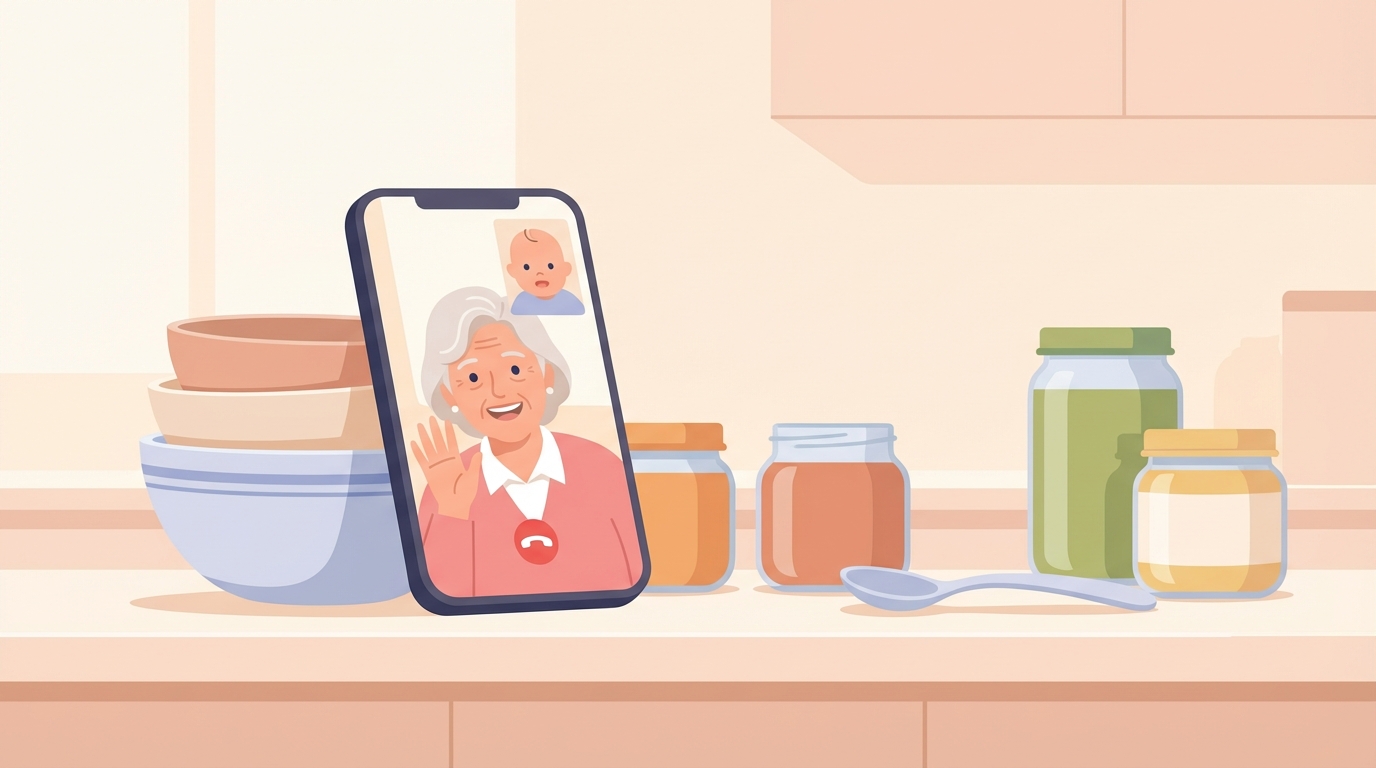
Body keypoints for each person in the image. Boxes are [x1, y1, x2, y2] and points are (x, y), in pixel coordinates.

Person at [409, 287, 640, 597]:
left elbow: (629, 574)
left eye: (515, 369)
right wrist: (453, 512)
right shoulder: (446, 485)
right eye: (474, 378)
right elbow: (447, 591)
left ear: (546, 374)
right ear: (450, 395)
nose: (499, 392)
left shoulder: (603, 468)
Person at [506, 229, 585, 315]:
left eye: (550, 266)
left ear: (566, 269)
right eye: (527, 267)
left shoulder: (570, 301)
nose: (539, 273)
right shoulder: (520, 303)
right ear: (513, 271)